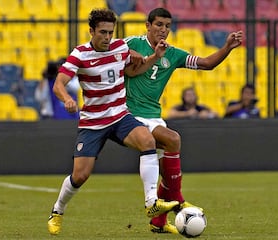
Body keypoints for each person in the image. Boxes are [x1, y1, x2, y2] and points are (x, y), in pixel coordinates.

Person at [47, 9, 179, 235]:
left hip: (120, 116)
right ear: (91, 31)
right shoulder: (80, 55)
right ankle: (57, 211)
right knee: (80, 175)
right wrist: (67, 99)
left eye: (110, 32)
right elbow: (59, 84)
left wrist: (153, 57)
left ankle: (151, 203)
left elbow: (135, 71)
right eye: (103, 33)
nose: (107, 37)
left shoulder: (120, 47)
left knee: (147, 140)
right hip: (93, 123)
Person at [124, 7, 242, 233]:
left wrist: (227, 47)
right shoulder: (131, 44)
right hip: (130, 113)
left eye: (167, 26)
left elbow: (207, 64)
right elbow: (109, 53)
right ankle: (178, 199)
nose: (163, 30)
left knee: (168, 172)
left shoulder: (173, 53)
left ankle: (158, 223)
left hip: (154, 116)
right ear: (148, 26)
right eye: (158, 25)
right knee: (174, 140)